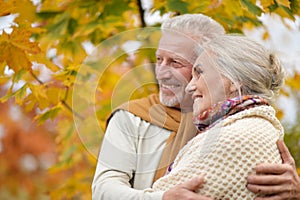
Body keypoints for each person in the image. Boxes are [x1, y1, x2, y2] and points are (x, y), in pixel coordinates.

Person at [92, 14, 300, 200]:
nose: (161, 73)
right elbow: (103, 190)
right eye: (158, 60)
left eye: (175, 62)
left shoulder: (245, 120)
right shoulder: (132, 117)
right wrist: (162, 198)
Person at [151, 34, 289, 199]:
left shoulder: (233, 137)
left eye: (200, 73)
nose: (190, 86)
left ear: (233, 80)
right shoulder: (253, 125)